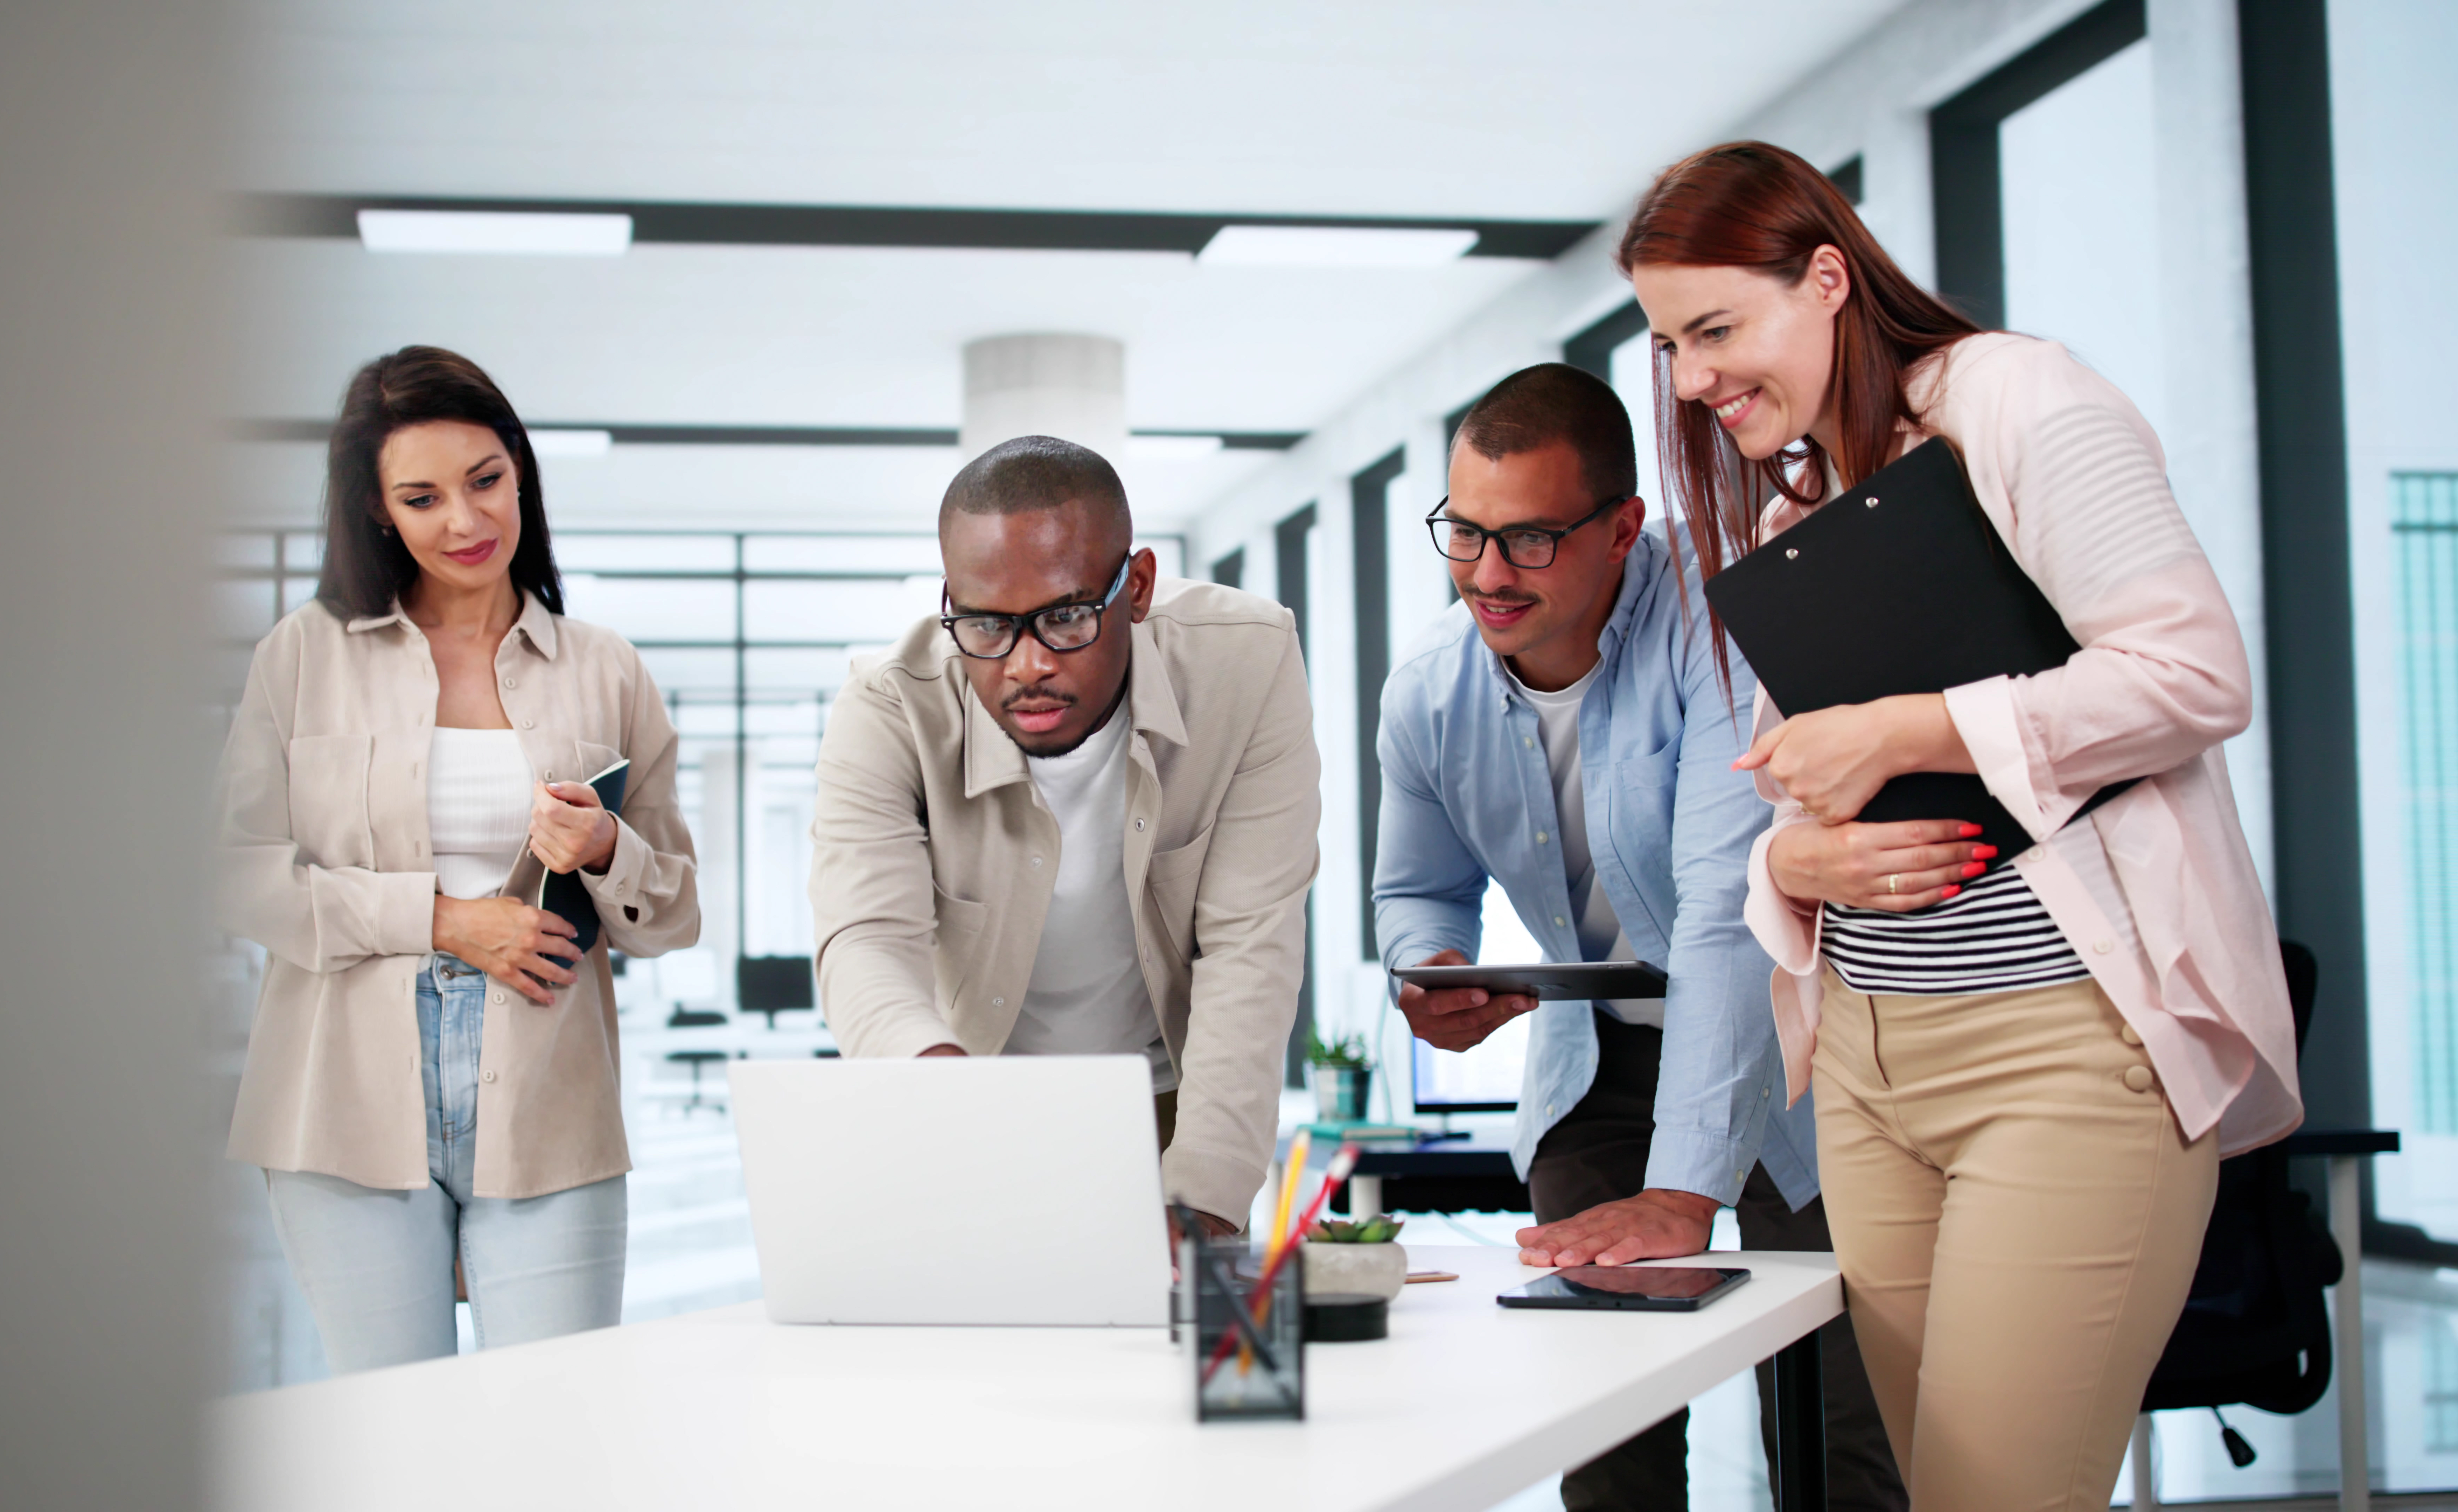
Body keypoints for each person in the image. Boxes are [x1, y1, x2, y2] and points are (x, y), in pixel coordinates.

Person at [1618, 142, 2302, 1511]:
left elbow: (2192, 674)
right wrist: (1791, 866)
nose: (1688, 380)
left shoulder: (2019, 402)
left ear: (1823, 280)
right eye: (1667, 344)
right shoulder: (1797, 499)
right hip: (1870, 1070)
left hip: (2055, 1059)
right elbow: (1799, 794)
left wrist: (1911, 728)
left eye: (1712, 331)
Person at [1377, 363, 1903, 1512]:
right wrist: (1434, 973)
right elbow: (1417, 891)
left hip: (1787, 1043)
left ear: (1624, 529)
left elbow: (1724, 913)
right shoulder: (1427, 692)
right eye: (1462, 534)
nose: (1487, 575)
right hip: (1598, 1057)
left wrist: (1681, 1193)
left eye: (1529, 541)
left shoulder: (1723, 623)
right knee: (1603, 1435)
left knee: (1833, 1420)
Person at [216, 346, 701, 1373]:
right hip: (340, 1106)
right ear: (379, 511)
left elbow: (677, 911)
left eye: (485, 481)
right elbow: (244, 874)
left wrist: (610, 846)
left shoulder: (604, 669)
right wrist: (442, 920)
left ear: (520, 468)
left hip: (547, 1106)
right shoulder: (302, 657)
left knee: (552, 1426)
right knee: (398, 1441)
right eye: (423, 497)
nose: (466, 522)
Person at [810, 435, 1321, 1235]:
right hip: (966, 1099)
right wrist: (935, 1093)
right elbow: (866, 941)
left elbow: (1249, 947)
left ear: (1138, 586)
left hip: (1168, 1110)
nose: (1025, 665)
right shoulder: (887, 707)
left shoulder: (1246, 663)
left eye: (1066, 617)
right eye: (985, 624)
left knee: (1165, 1346)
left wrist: (1206, 1200)